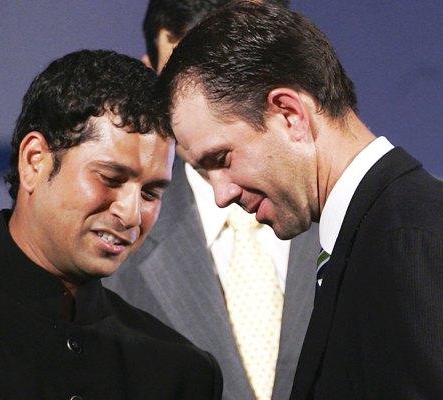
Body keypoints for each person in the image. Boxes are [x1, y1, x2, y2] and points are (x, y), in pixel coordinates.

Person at [157, 2, 443, 400]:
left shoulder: (406, 240)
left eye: (221, 159)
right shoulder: (372, 234)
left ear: (290, 115)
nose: (221, 194)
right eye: (201, 172)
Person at [0, 49, 223, 399]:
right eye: (110, 179)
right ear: (34, 162)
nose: (131, 215)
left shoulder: (181, 372)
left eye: (151, 192)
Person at [103, 2, 319, 400]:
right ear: (151, 72)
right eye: (180, 78)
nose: (208, 104)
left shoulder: (379, 221)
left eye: (226, 78)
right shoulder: (113, 247)